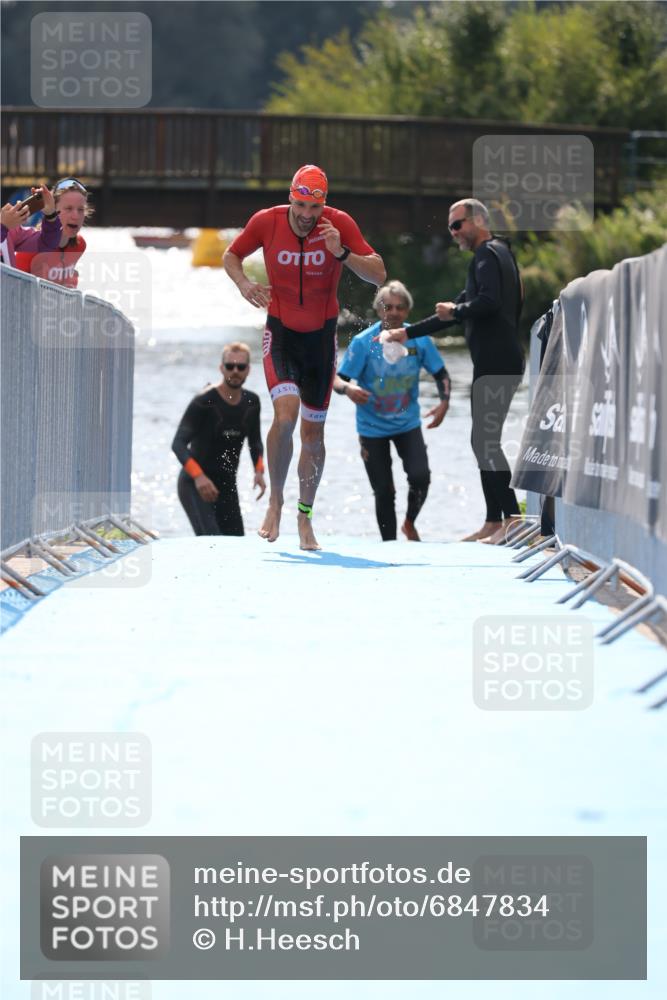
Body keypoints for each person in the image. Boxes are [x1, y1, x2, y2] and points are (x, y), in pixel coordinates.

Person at [223, 164, 386, 550]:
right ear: (290, 198)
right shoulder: (268, 221)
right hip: (280, 335)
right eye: (300, 206)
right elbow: (232, 255)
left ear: (324, 205)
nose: (307, 217)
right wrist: (244, 283)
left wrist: (342, 252)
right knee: (286, 415)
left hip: (321, 340)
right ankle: (275, 503)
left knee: (313, 436)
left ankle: (304, 516)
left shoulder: (338, 224)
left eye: (314, 209)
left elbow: (379, 274)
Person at [384, 198, 524, 543]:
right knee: (482, 441)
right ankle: (494, 521)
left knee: (485, 441)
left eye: (457, 225)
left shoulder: (487, 255)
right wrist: (408, 332)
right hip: (498, 361)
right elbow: (455, 311)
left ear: (477, 220)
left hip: (498, 362)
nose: (453, 233)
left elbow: (486, 304)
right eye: (450, 227)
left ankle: (514, 520)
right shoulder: (497, 254)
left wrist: (457, 309)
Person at [333, 280, 451, 541]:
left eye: (400, 308)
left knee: (421, 478)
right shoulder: (364, 343)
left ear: (407, 311)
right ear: (379, 310)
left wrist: (444, 403)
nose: (394, 312)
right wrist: (349, 390)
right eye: (388, 307)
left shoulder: (419, 339)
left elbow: (440, 373)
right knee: (383, 491)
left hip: (407, 424)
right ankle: (389, 546)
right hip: (371, 428)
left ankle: (409, 523)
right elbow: (337, 379)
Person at [172, 342, 266, 536]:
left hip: (226, 484)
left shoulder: (252, 402)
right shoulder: (204, 401)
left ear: (248, 370)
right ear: (221, 368)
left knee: (236, 545)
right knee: (212, 542)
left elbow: (255, 442)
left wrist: (259, 471)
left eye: (240, 367)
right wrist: (199, 477)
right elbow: (178, 443)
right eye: (230, 366)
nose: (235, 371)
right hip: (195, 483)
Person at [14, 177, 89, 288]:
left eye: (80, 209)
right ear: (53, 210)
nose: (76, 216)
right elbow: (10, 290)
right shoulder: (30, 247)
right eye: (68, 208)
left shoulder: (80, 244)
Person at [1, 185, 62, 268]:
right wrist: (3, 227)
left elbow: (47, 243)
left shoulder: (10, 230)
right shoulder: (5, 226)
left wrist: (50, 214)